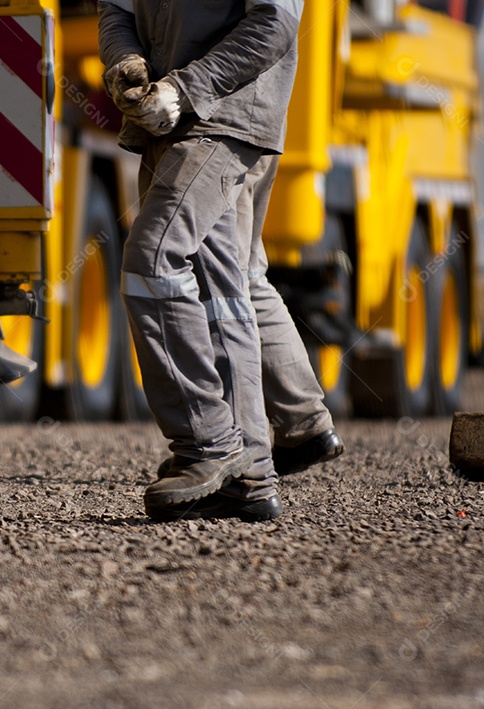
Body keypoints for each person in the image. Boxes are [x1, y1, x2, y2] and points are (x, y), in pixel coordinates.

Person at [98, 0, 341, 522]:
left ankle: (209, 444)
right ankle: (252, 472)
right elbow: (116, 10)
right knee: (230, 281)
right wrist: (126, 62)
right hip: (168, 120)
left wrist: (187, 89)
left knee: (154, 260)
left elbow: (274, 20)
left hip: (224, 116)